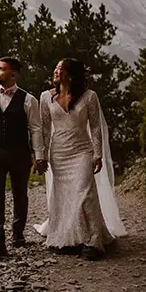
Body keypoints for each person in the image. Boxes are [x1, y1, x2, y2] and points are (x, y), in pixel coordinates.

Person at [33, 58, 126, 260]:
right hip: (59, 153)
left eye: (60, 68)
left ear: (71, 74)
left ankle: (92, 241)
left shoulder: (89, 97)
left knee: (84, 193)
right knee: (65, 197)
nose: (56, 71)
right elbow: (45, 130)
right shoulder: (45, 97)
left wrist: (97, 153)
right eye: (55, 67)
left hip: (82, 151)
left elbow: (95, 127)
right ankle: (68, 239)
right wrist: (41, 156)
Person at [0, 57, 44, 256]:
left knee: (19, 193)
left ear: (13, 74)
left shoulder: (29, 100)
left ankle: (18, 234)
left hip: (20, 153)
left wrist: (38, 156)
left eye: (1, 69)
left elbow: (36, 129)